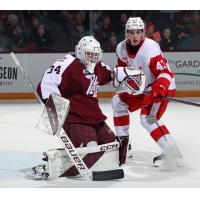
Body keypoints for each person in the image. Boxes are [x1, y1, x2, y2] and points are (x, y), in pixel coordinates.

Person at [35, 36, 118, 178]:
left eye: (96, 55)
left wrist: (124, 74)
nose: (93, 58)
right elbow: (45, 85)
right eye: (90, 54)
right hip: (75, 119)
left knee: (113, 145)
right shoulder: (67, 64)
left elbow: (109, 74)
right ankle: (51, 166)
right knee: (92, 147)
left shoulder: (96, 64)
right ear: (80, 52)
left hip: (95, 117)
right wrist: (55, 111)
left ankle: (77, 159)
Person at [111, 17, 183, 167]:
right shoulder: (121, 48)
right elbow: (124, 72)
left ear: (143, 32)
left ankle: (173, 153)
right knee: (117, 102)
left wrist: (160, 88)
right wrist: (123, 82)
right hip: (143, 86)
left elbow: (165, 73)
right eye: (131, 32)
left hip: (162, 85)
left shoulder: (150, 48)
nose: (135, 36)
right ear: (126, 33)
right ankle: (124, 146)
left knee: (148, 118)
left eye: (138, 32)